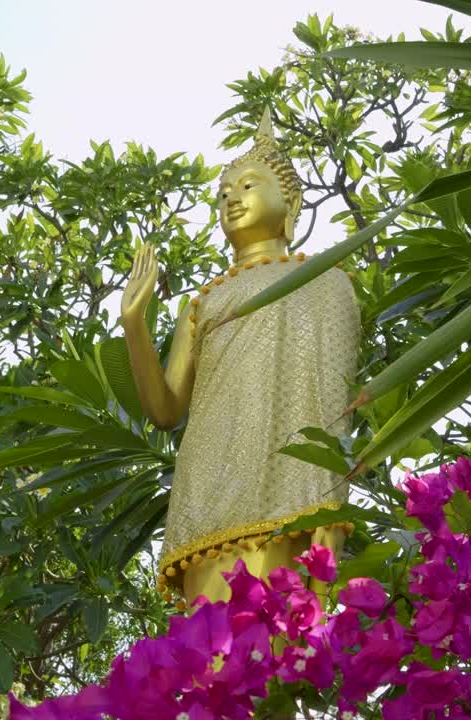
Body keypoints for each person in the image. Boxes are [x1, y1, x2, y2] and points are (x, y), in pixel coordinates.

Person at [120, 110, 360, 605]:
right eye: (224, 192)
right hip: (207, 496)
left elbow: (333, 399)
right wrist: (134, 324)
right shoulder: (204, 301)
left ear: (290, 202)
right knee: (209, 646)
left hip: (291, 494)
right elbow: (165, 411)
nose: (231, 198)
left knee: (281, 641)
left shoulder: (326, 281)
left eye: (248, 185)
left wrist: (329, 504)